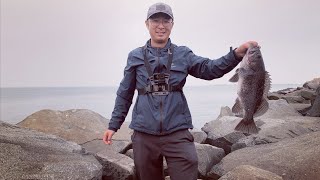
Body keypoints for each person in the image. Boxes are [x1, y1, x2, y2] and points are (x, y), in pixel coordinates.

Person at [103, 2, 258, 180]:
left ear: (172, 25)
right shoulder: (135, 56)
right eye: (155, 21)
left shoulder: (183, 54)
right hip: (144, 134)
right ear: (147, 24)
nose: (160, 26)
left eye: (165, 21)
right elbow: (125, 92)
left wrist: (236, 55)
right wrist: (113, 125)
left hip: (177, 133)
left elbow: (210, 69)